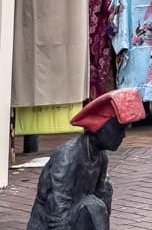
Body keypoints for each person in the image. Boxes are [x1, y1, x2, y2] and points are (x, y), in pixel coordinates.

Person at [27, 89, 145, 230]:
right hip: (50, 223)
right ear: (100, 128)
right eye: (119, 130)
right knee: (93, 204)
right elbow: (57, 208)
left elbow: (101, 200)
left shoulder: (100, 158)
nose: (123, 136)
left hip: (75, 217)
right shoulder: (68, 156)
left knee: (104, 191)